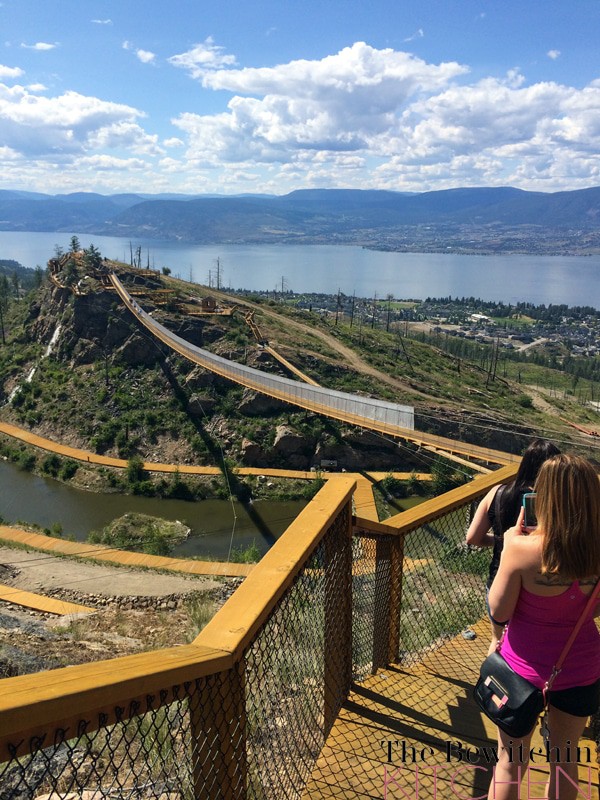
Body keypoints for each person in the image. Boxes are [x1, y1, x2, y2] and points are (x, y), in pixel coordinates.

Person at [487, 454, 600, 800]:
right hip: (581, 669)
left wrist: (509, 545)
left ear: (545, 498)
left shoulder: (522, 549)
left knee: (510, 761)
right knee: (565, 760)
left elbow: (499, 611)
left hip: (521, 670)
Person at [466, 439, 560, 647]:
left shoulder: (497, 493)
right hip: (541, 583)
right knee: (535, 643)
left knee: (497, 641)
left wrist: (501, 541)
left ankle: (491, 678)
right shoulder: (557, 501)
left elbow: (472, 538)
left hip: (500, 578)